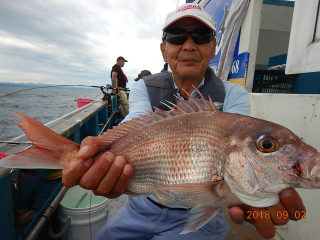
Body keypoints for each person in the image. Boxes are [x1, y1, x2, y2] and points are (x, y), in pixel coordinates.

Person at [63, 3, 306, 240]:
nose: (188, 45)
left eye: (201, 37)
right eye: (177, 37)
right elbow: (137, 123)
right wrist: (97, 154)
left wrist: (254, 193)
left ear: (213, 48)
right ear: (163, 50)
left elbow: (241, 155)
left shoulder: (233, 95)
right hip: (140, 207)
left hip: (201, 209)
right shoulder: (143, 87)